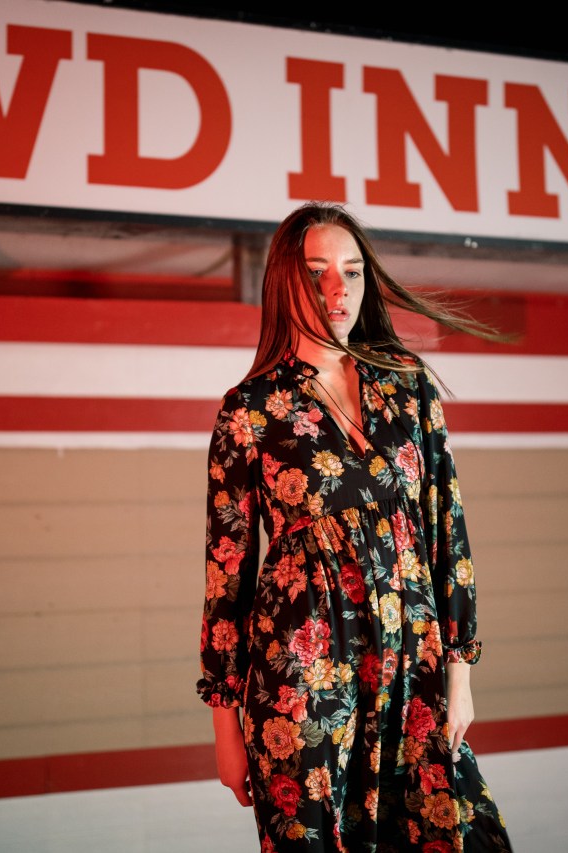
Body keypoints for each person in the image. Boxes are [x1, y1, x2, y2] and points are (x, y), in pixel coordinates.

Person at [197, 201, 513, 851]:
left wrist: (461, 675)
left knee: (462, 834)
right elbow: (225, 572)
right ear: (285, 281)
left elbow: (446, 528)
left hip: (412, 672)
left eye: (353, 271)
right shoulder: (250, 411)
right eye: (317, 273)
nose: (338, 290)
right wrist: (225, 730)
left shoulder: (408, 386)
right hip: (302, 685)